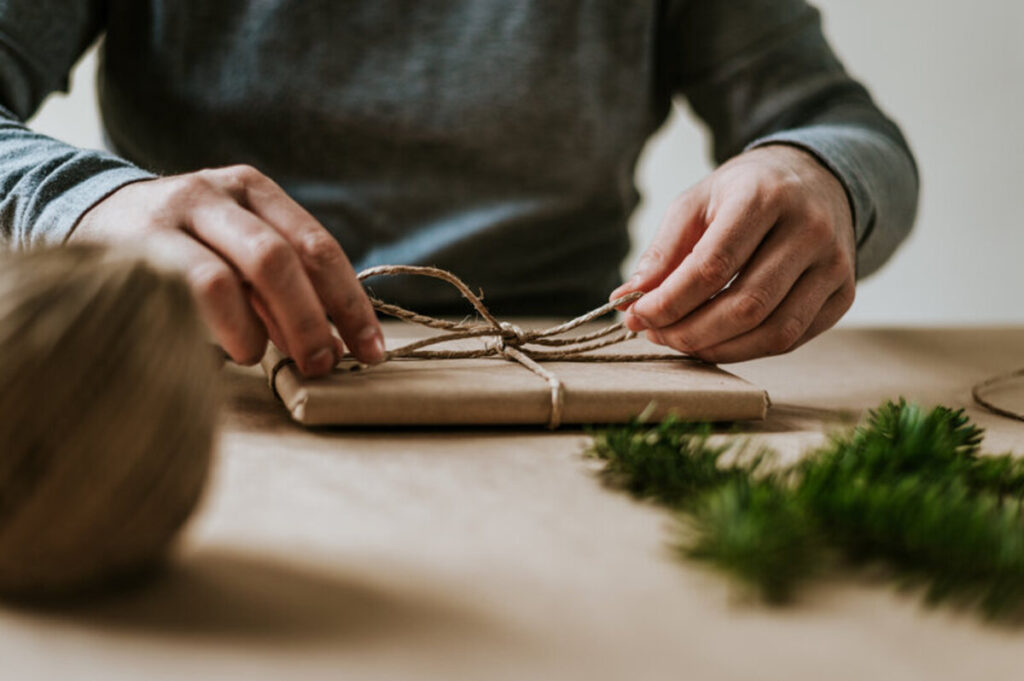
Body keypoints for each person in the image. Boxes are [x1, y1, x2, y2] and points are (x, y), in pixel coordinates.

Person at [0, 1, 917, 377]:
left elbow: (844, 125)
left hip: (571, 386)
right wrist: (85, 204)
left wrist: (817, 173)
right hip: (194, 378)